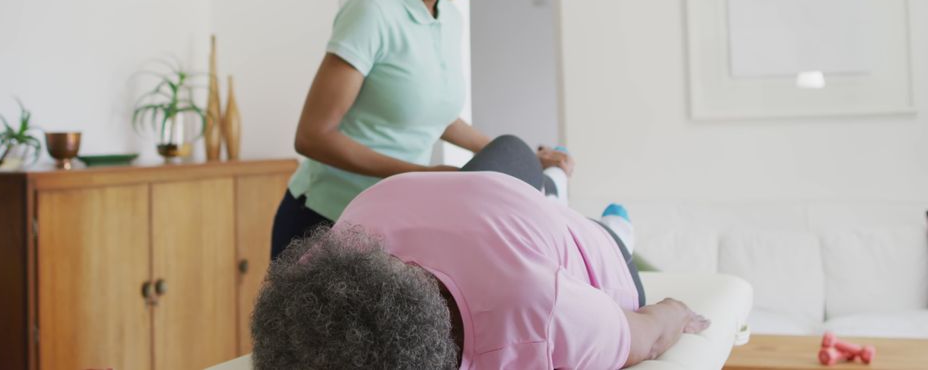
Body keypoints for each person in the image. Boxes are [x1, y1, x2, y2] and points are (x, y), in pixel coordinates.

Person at [272, 0, 572, 260]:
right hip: (322, 221)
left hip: (385, 223)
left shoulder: (447, 19)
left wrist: (518, 157)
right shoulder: (374, 11)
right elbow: (313, 136)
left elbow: (437, 116)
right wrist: (423, 176)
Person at [252, 138, 710, 369]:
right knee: (512, 155)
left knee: (601, 230)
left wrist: (676, 310)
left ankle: (614, 227)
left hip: (599, 257)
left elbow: (646, 335)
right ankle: (552, 192)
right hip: (485, 205)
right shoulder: (346, 237)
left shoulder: (541, 313)